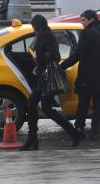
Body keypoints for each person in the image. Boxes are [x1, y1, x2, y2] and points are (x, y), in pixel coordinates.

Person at [21, 14, 84, 151]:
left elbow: (55, 55)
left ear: (37, 25)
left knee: (36, 105)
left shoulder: (47, 36)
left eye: (33, 26)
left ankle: (33, 139)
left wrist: (38, 58)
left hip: (47, 79)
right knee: (39, 107)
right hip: (43, 78)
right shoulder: (43, 35)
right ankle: (34, 138)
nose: (33, 29)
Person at [60, 10, 100, 141]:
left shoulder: (86, 33)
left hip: (87, 75)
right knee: (99, 104)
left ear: (91, 20)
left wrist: (62, 66)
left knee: (83, 104)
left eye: (83, 20)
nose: (82, 24)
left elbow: (78, 54)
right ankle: (95, 131)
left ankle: (79, 128)